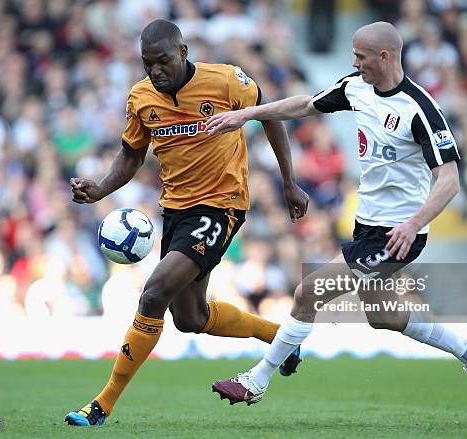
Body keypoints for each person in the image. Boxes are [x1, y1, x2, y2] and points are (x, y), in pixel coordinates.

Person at [207, 22, 467, 407]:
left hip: (398, 234)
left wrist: (414, 224)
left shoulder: (420, 109)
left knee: (308, 292)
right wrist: (250, 114)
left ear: (384, 56)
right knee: (382, 315)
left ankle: (256, 380)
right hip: (367, 225)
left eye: (360, 56)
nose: (354, 62)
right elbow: (307, 104)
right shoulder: (355, 87)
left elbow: (449, 180)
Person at [64, 19, 309, 426]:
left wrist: (289, 182)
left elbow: (268, 116)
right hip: (176, 209)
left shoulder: (227, 80)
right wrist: (101, 189)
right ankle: (279, 338)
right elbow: (130, 155)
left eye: (162, 61)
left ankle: (101, 405)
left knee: (153, 293)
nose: (154, 71)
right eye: (147, 64)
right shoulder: (141, 98)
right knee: (190, 318)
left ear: (182, 51)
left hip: (222, 205)